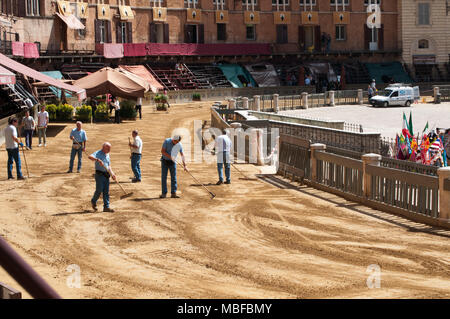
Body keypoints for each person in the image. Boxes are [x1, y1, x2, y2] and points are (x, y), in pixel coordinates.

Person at [88, 142, 116, 213]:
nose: (109, 150)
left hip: (106, 175)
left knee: (106, 191)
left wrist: (112, 174)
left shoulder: (107, 154)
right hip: (99, 175)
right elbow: (89, 157)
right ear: (104, 147)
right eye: (108, 148)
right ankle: (93, 201)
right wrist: (97, 160)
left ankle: (106, 207)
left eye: (110, 148)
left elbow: (109, 166)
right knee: (99, 190)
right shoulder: (98, 153)